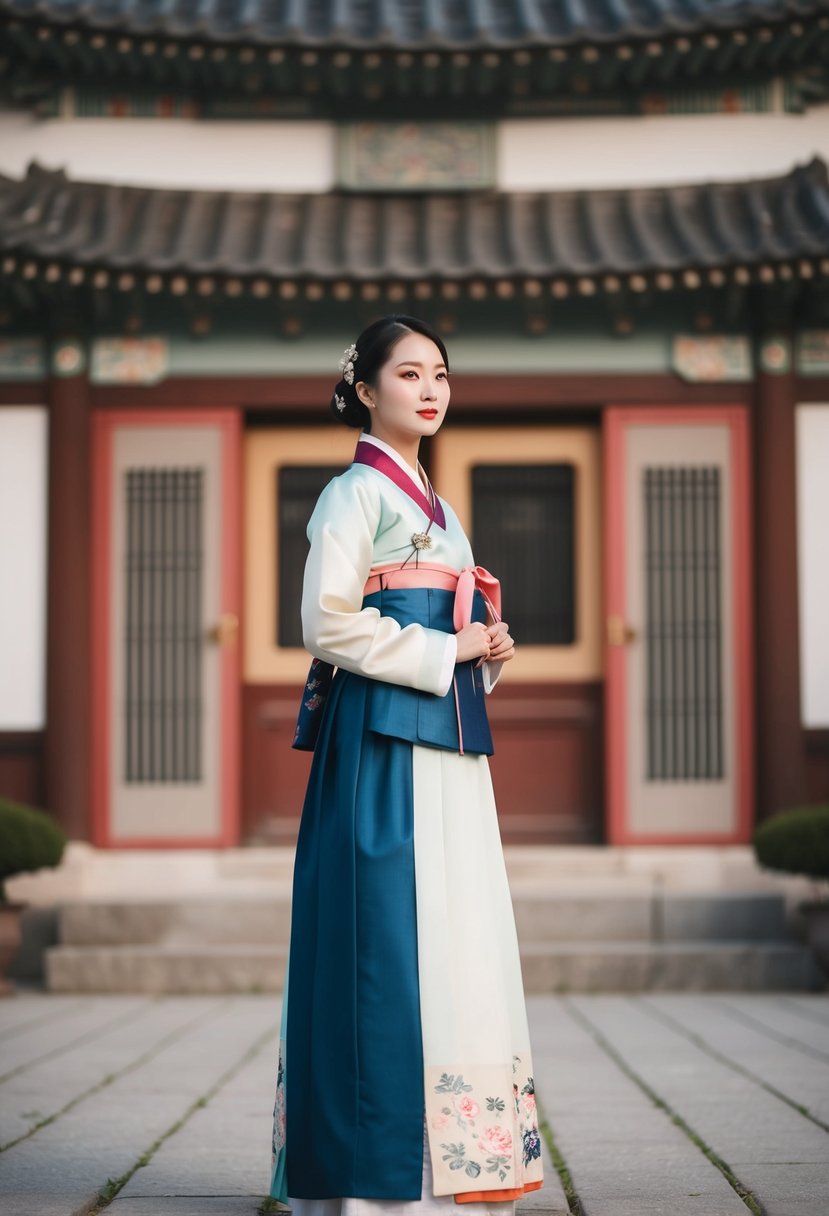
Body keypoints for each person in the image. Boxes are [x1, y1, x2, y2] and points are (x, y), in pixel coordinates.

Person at [269, 315, 543, 1216]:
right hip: (382, 748)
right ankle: (371, 1175)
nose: (430, 390)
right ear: (364, 388)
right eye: (409, 374)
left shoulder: (440, 507)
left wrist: (483, 647)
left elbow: (447, 626)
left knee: (455, 933)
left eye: (441, 375)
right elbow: (326, 623)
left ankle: (454, 1166)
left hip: (447, 745)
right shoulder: (354, 494)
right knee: (382, 941)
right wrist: (443, 649)